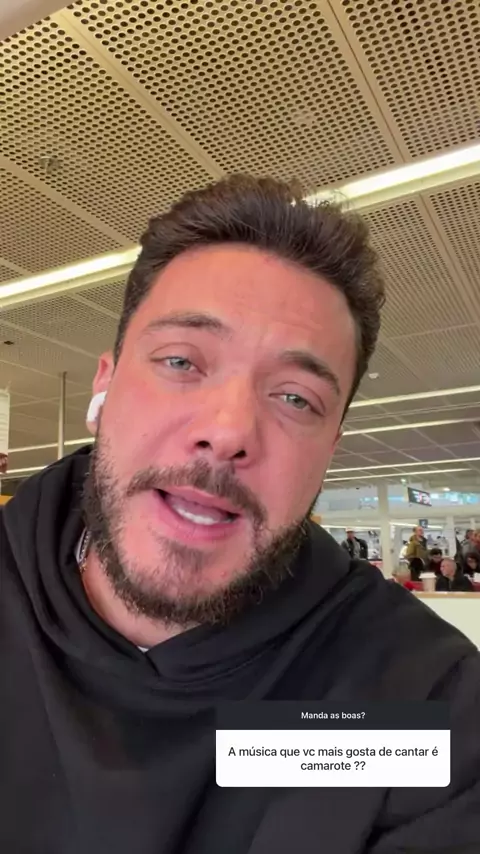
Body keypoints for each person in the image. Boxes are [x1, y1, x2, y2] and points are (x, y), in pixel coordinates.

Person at [1, 174, 479, 854]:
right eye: (180, 361)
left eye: (296, 398)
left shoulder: (416, 705)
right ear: (104, 385)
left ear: (330, 449)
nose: (228, 432)